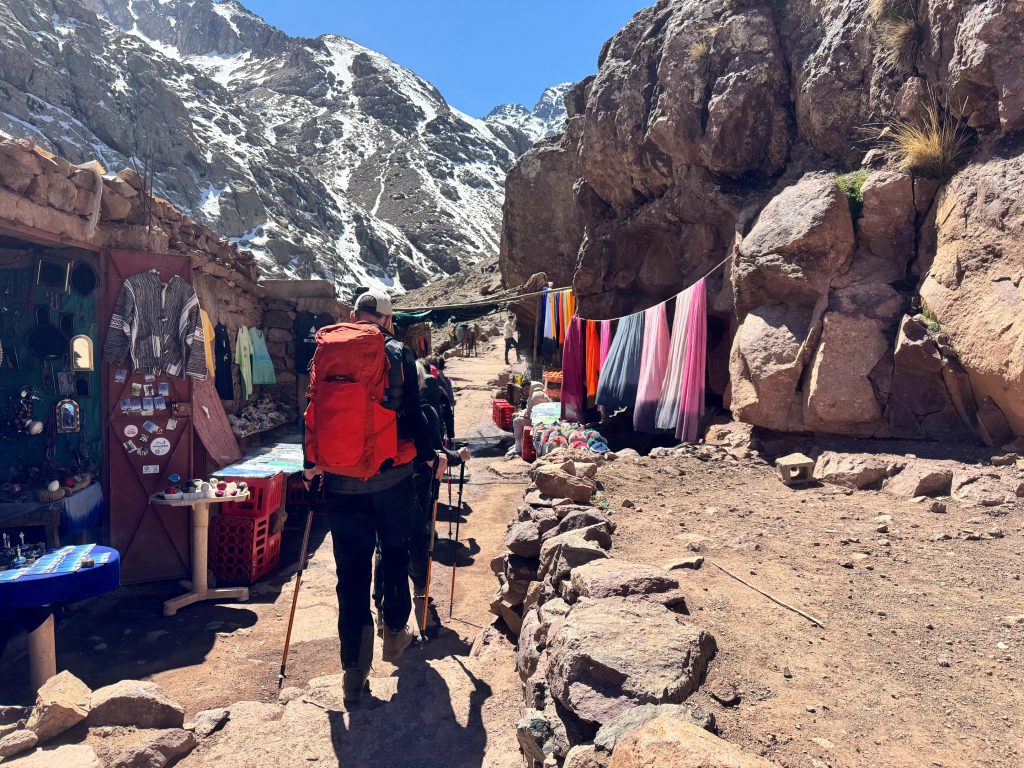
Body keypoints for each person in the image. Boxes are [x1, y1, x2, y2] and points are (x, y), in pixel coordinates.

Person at [303, 288, 443, 708]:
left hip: (342, 483)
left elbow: (312, 408)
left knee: (350, 574)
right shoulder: (398, 352)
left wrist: (311, 461)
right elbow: (415, 416)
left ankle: (353, 671)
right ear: (385, 319)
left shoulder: (327, 350)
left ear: (353, 314)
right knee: (395, 556)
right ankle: (395, 636)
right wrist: (432, 454)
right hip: (392, 479)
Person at [375, 361, 470, 638]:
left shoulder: (381, 410)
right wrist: (457, 457)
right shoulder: (423, 413)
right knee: (417, 540)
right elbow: (434, 453)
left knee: (385, 547)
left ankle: (382, 610)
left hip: (382, 486)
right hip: (416, 488)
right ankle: (419, 592)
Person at [434, 357, 456, 442]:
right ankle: (450, 434)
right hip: (441, 410)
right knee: (448, 414)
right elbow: (450, 401)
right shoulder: (446, 380)